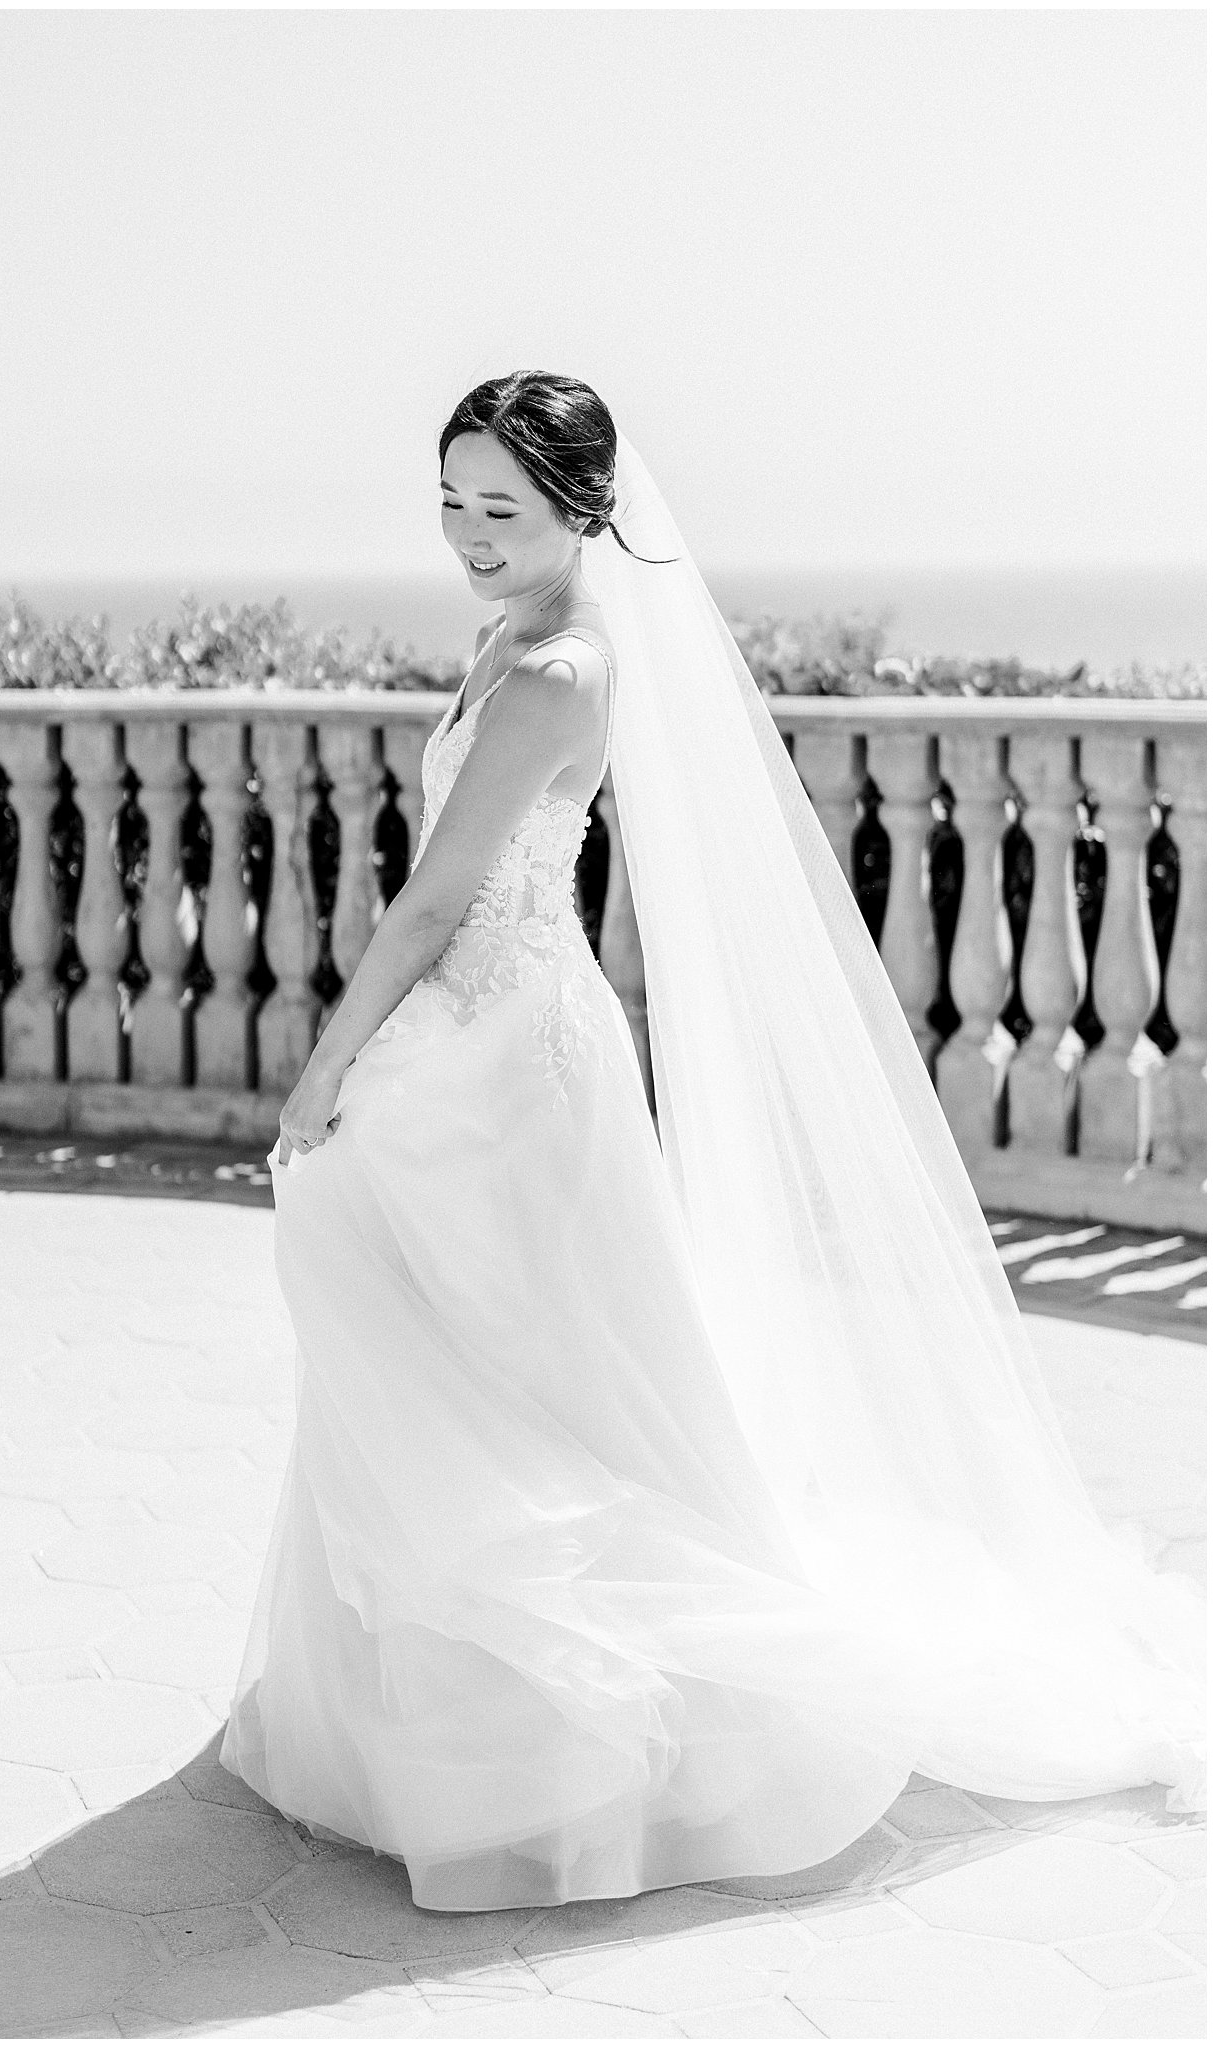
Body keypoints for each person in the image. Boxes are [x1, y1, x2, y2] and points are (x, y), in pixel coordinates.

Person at [220, 371, 1203, 1913]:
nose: (473, 535)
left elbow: (431, 898)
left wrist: (323, 1065)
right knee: (463, 1356)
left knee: (529, 1379)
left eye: (507, 509)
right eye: (455, 500)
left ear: (581, 514)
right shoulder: (513, 635)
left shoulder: (552, 663)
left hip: (503, 1066)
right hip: (484, 1039)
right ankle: (405, 1727)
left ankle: (565, 1744)